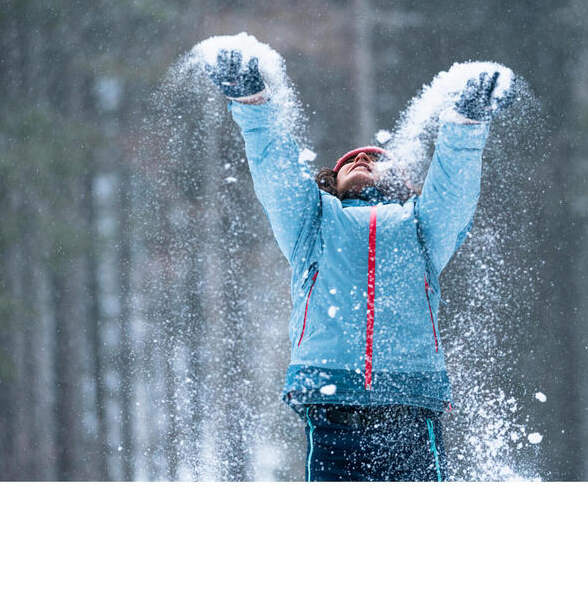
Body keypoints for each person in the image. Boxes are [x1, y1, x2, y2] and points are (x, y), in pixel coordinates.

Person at [206, 44, 515, 481]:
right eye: (351, 159)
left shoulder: (421, 225)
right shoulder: (311, 222)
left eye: (375, 158)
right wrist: (252, 103)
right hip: (331, 401)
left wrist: (466, 123)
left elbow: (453, 192)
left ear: (401, 182)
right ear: (330, 181)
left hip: (409, 402)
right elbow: (274, 170)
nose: (364, 158)